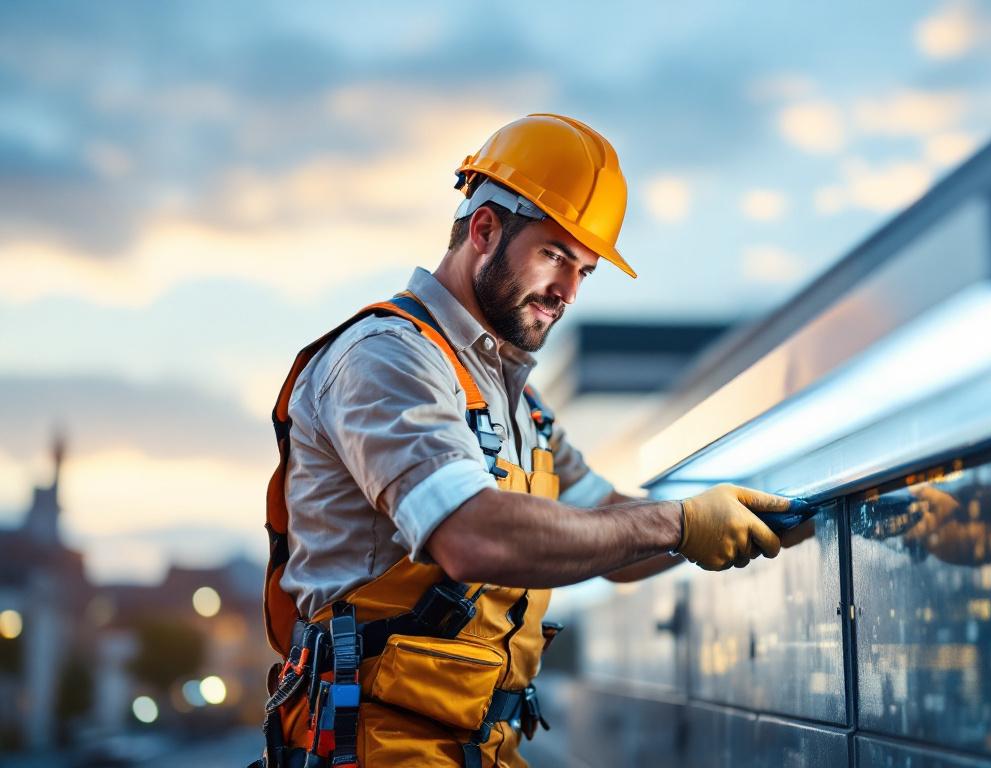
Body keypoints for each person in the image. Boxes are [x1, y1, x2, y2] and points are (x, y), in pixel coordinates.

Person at [252, 114, 793, 768]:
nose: (566, 292)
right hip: (373, 749)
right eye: (554, 256)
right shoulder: (388, 359)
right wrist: (680, 524)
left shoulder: (521, 407)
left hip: (475, 749)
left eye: (584, 271)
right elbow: (471, 536)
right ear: (484, 230)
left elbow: (615, 531)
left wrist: (793, 518)